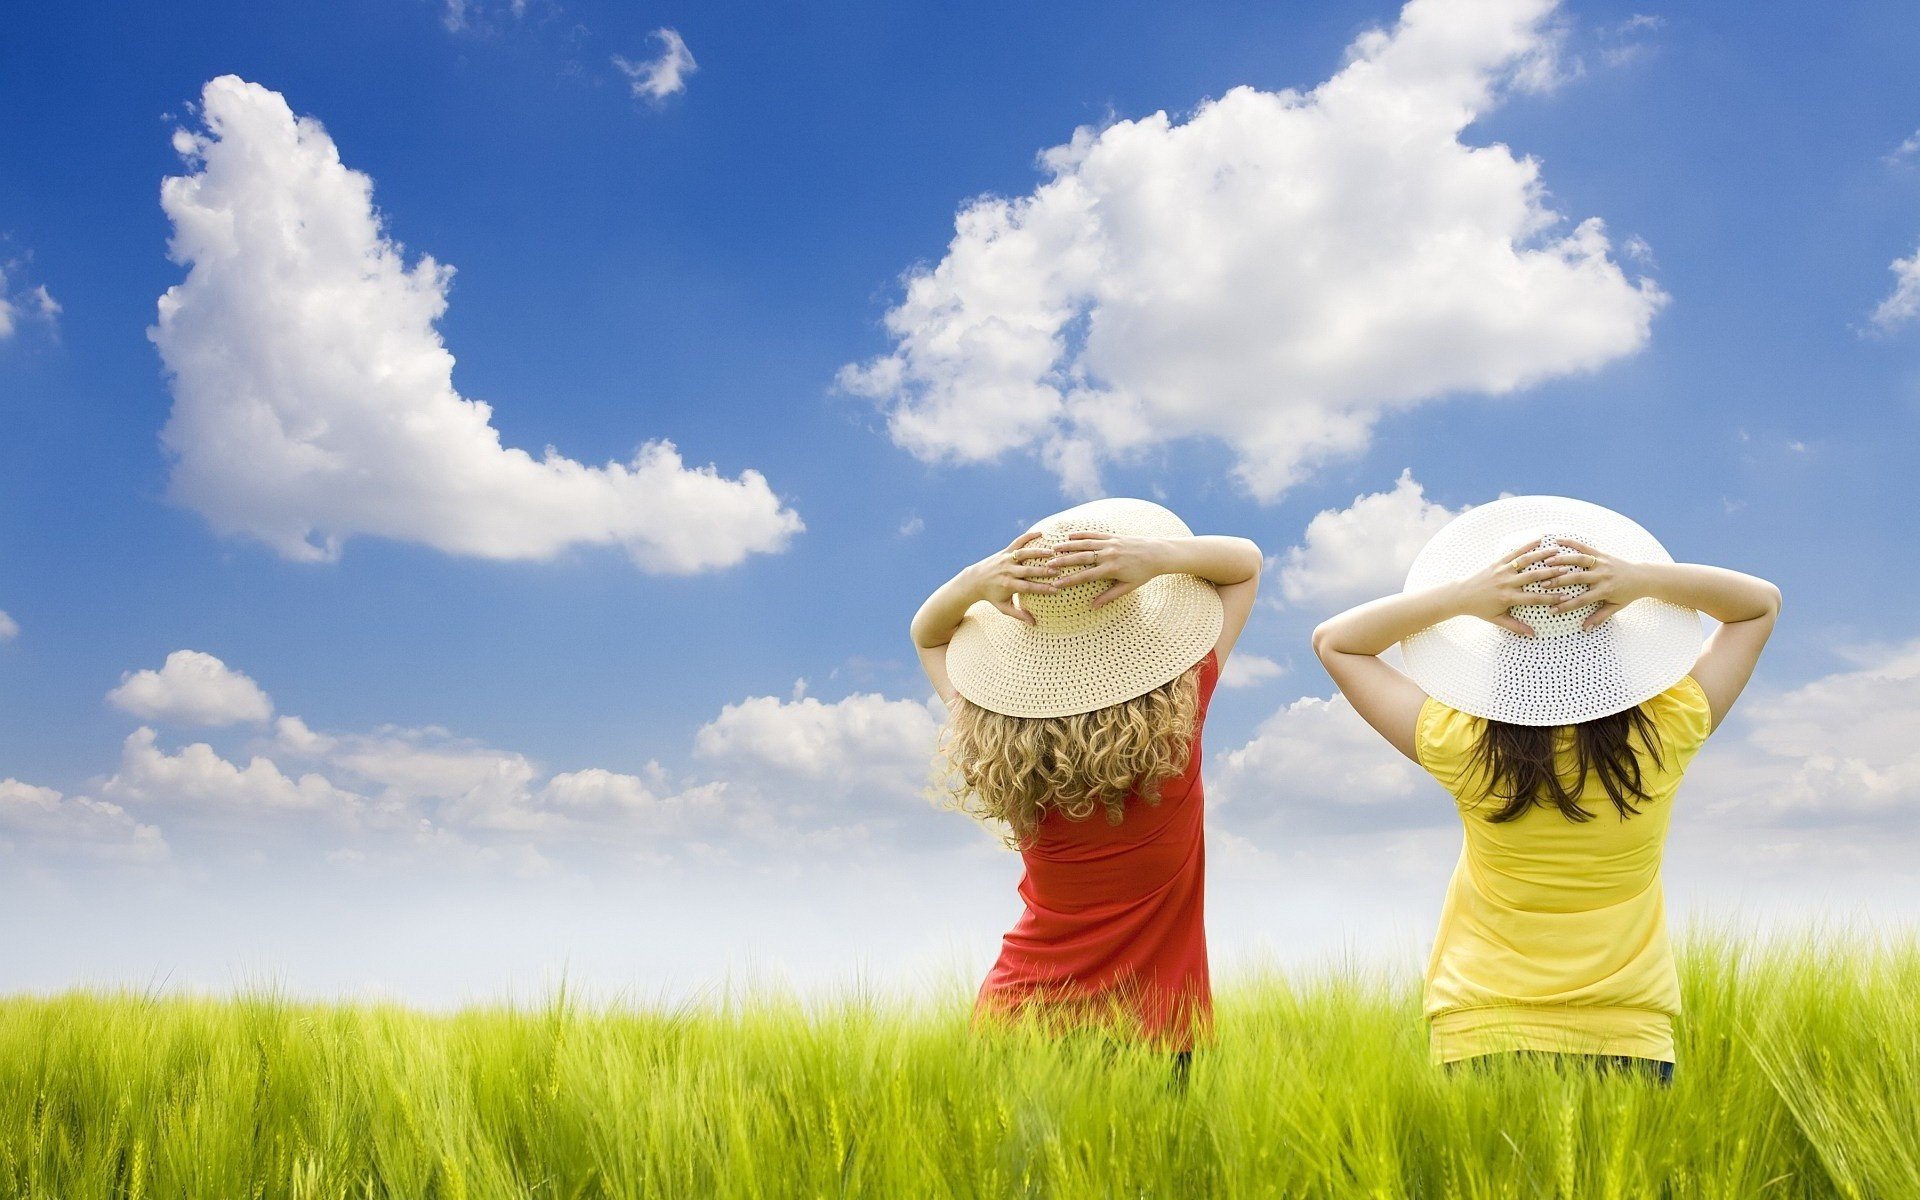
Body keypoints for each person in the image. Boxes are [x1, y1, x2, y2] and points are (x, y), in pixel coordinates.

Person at [1310, 496, 1780, 1083]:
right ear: (1614, 642)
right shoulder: (1669, 728)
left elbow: (1336, 641)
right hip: (1629, 1032)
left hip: (1482, 1028)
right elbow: (1758, 606)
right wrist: (1641, 580)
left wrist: (1461, 598)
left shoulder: (1461, 742)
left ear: (1501, 649)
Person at [910, 498, 1261, 1076]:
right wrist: (1156, 558)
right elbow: (1244, 563)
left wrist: (978, 579)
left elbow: (927, 636)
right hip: (1157, 1030)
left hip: (1018, 1019)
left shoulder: (993, 733)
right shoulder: (1179, 716)